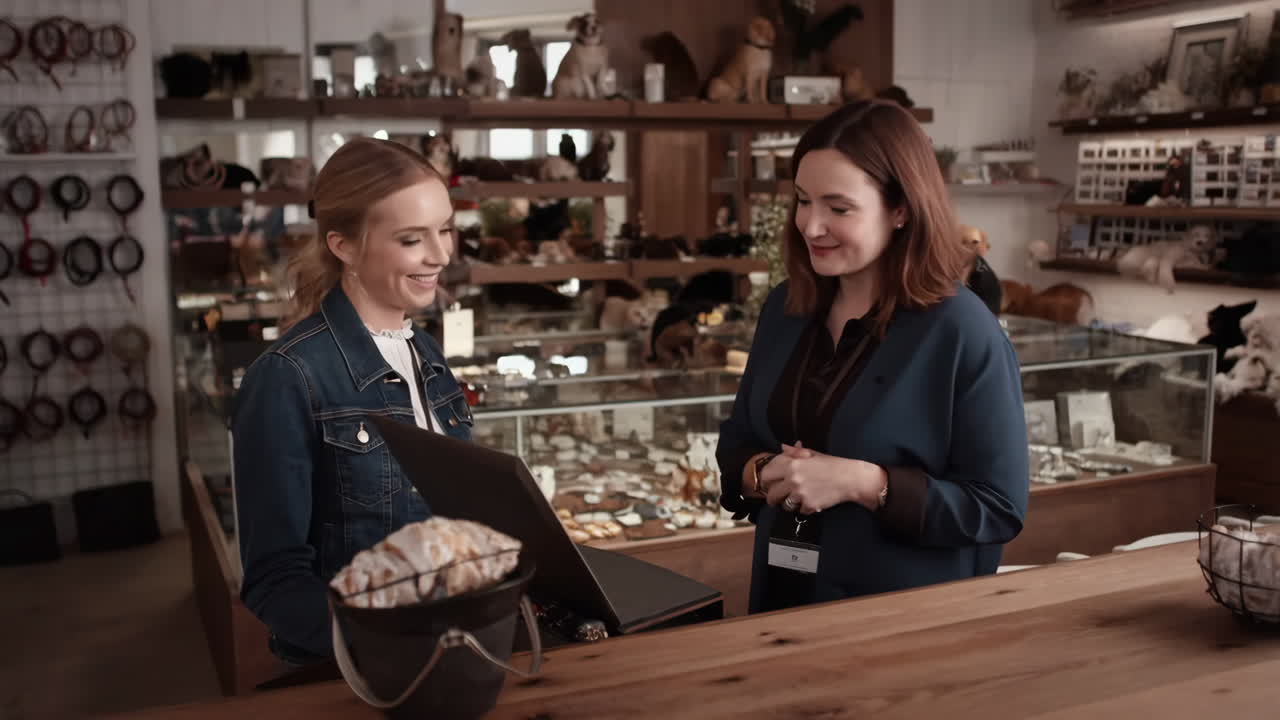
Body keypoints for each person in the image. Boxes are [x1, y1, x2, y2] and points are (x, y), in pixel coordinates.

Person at [715, 100, 1029, 614]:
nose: (810, 226)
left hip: (898, 625)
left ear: (901, 209)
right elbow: (738, 442)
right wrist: (760, 471)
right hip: (780, 601)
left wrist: (864, 483)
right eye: (802, 200)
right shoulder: (786, 308)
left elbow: (997, 509)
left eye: (838, 209)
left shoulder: (962, 332)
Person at [232, 137, 472, 665]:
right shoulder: (287, 377)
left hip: (451, 652)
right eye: (413, 239)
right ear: (343, 245)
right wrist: (383, 645)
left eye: (446, 229)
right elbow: (275, 579)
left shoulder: (427, 353)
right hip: (355, 677)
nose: (441, 254)